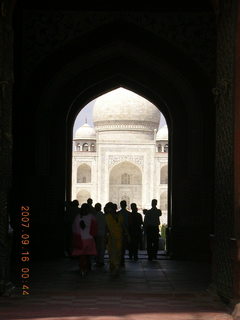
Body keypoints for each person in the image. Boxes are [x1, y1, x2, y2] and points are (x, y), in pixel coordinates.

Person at [71, 203, 97, 276]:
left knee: (81, 256)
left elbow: (74, 228)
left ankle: (82, 268)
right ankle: (87, 267)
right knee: (87, 255)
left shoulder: (78, 217)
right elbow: (95, 227)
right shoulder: (91, 216)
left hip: (81, 239)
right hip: (89, 238)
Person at [104, 202, 126, 277]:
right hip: (111, 237)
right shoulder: (107, 217)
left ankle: (116, 266)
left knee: (118, 251)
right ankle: (114, 266)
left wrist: (127, 234)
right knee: (111, 252)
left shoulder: (120, 216)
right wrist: (106, 237)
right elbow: (106, 228)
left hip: (119, 236)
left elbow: (123, 226)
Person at [118, 200, 130, 266]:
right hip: (125, 232)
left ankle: (120, 259)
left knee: (119, 246)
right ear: (126, 205)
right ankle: (122, 259)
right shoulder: (129, 214)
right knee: (123, 246)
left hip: (119, 232)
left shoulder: (118, 213)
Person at [94, 203, 106, 267]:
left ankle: (99, 261)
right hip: (102, 233)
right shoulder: (102, 215)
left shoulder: (97, 215)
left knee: (98, 248)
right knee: (101, 248)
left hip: (98, 234)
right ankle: (101, 261)